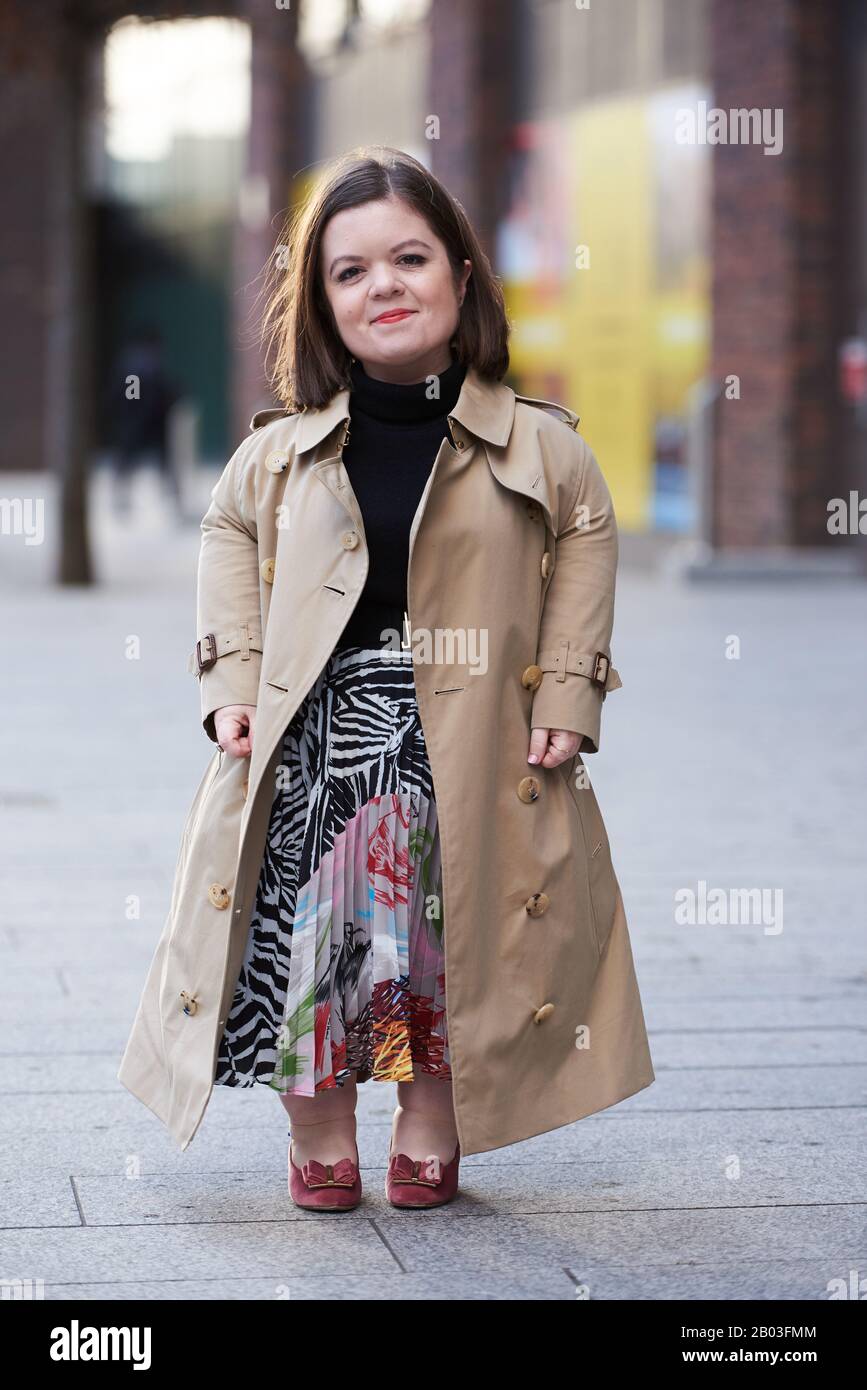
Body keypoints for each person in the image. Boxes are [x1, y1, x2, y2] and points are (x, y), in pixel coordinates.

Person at [117, 145, 655, 1212]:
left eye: (410, 257)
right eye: (350, 270)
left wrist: (571, 694)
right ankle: (317, 1124)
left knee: (443, 940)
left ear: (461, 273)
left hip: (475, 738)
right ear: (322, 303)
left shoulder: (544, 449)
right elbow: (225, 535)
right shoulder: (279, 456)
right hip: (313, 743)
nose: (384, 286)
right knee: (312, 934)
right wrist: (230, 677)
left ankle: (428, 1113)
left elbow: (587, 542)